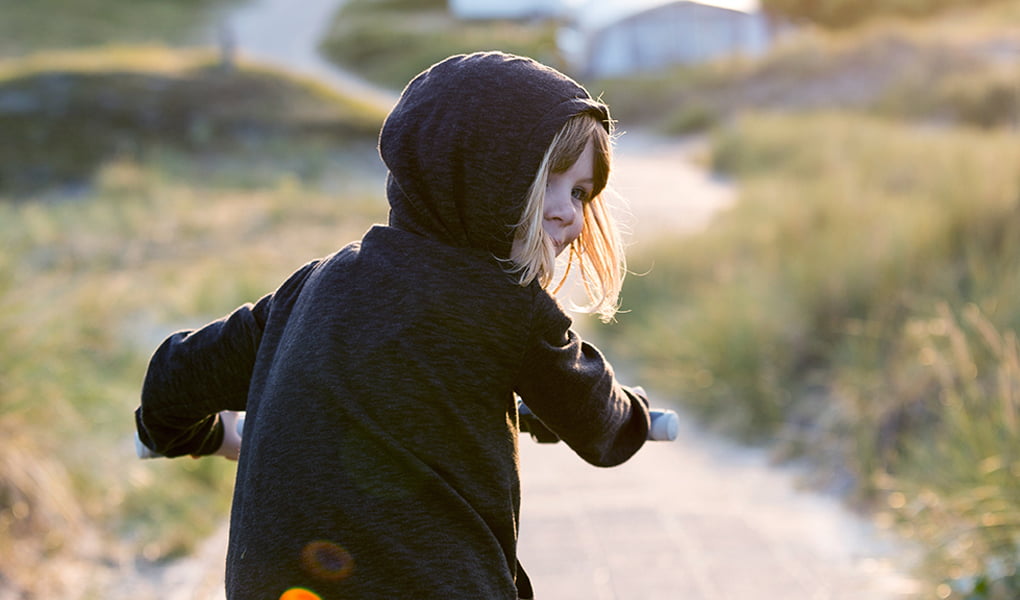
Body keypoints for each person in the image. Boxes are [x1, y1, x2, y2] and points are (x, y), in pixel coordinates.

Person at [135, 51, 650, 599]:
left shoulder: (309, 289)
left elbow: (173, 377)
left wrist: (204, 434)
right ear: (473, 170)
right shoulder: (511, 312)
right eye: (550, 180)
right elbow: (601, 428)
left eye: (581, 193)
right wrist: (634, 412)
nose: (570, 212)